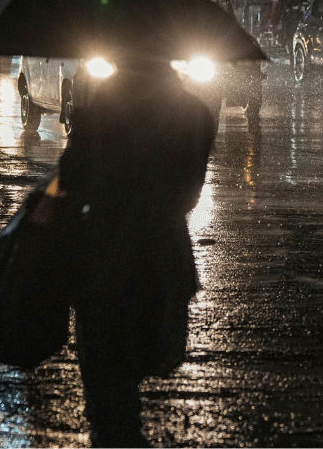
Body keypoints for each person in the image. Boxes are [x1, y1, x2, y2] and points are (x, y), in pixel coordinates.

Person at [53, 54, 218, 447]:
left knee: (106, 367)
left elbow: (72, 177)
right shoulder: (195, 113)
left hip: (104, 249)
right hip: (164, 250)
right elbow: (191, 189)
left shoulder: (105, 109)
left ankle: (116, 433)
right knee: (147, 348)